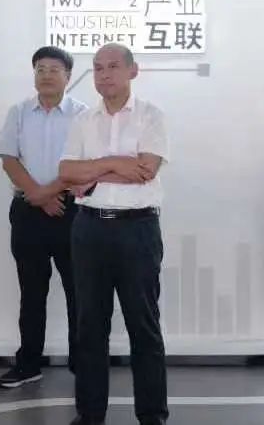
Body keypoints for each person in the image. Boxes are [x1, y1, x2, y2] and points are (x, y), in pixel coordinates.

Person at [59, 43, 169, 425]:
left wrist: (91, 173)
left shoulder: (151, 115)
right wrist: (115, 163)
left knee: (144, 324)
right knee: (89, 325)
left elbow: (146, 170)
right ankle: (90, 413)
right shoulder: (83, 120)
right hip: (89, 229)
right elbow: (66, 173)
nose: (104, 74)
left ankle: (152, 415)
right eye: (97, 68)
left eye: (112, 66)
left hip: (137, 228)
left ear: (132, 71)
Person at [0, 46, 87, 388]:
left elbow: (86, 164)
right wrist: (36, 194)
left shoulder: (83, 114)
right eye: (40, 69)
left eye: (54, 69)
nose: (46, 75)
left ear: (68, 76)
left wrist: (48, 193)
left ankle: (83, 364)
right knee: (31, 291)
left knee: (79, 292)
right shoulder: (19, 112)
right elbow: (9, 158)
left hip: (72, 211)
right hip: (28, 212)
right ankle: (29, 363)